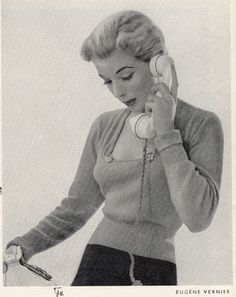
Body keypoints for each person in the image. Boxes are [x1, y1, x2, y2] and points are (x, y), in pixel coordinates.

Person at [4, 10, 224, 286]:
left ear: (159, 66)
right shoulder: (104, 126)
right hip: (96, 264)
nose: (118, 91)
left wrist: (166, 133)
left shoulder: (201, 125)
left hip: (156, 273)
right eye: (107, 81)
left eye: (126, 75)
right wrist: (26, 244)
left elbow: (198, 218)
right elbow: (77, 206)